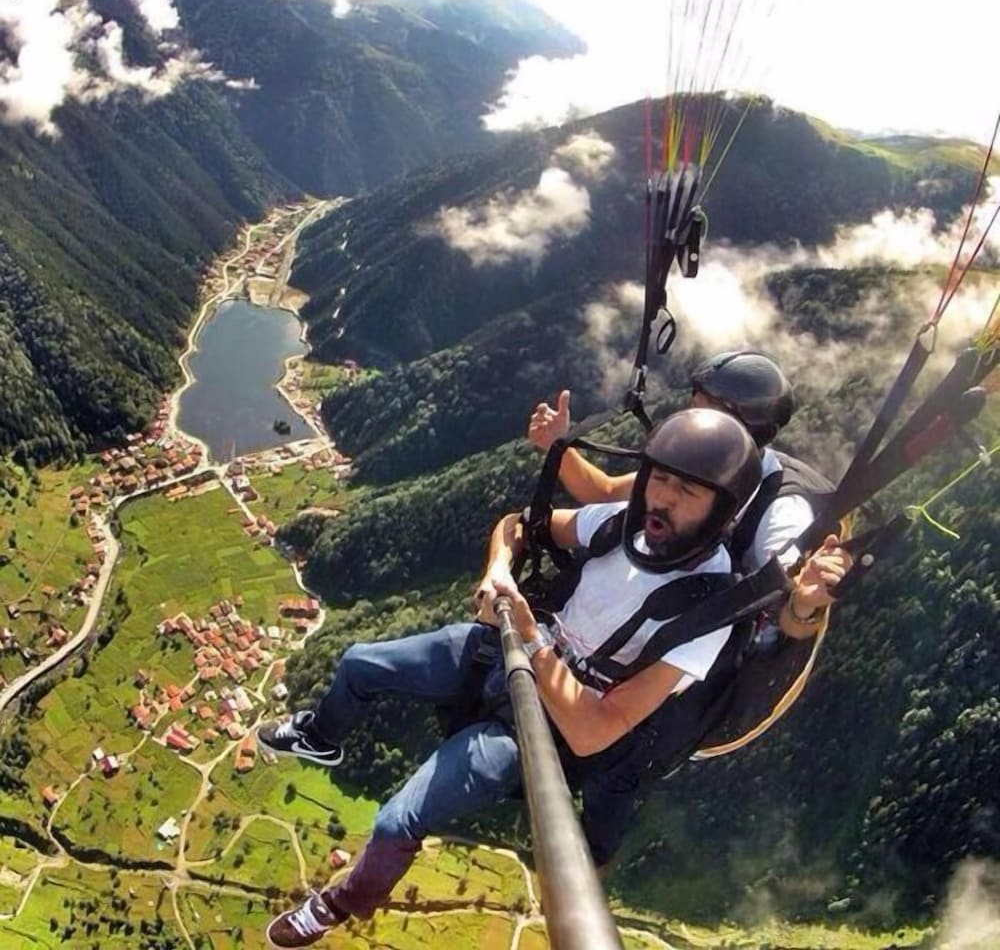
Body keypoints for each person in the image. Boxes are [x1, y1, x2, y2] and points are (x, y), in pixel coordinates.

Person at [256, 408, 842, 947]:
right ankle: (321, 735)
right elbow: (519, 525)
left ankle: (341, 902)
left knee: (396, 819)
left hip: (544, 719)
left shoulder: (707, 612)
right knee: (360, 662)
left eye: (686, 491)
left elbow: (594, 732)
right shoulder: (620, 525)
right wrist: (499, 570)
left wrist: (531, 637)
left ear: (721, 511)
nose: (662, 499)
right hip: (505, 650)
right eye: (659, 479)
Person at [528, 350, 845, 637]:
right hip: (640, 600)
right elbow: (606, 493)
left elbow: (789, 599)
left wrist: (804, 603)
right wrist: (558, 445)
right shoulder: (698, 463)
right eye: (693, 408)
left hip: (691, 638)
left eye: (705, 414)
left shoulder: (781, 509)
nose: (691, 423)